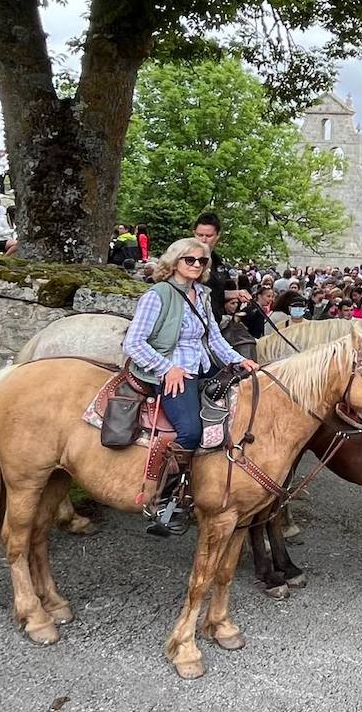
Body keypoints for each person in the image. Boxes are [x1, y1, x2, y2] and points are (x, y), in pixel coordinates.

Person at [122, 238, 260, 536]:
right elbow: (133, 342)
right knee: (191, 430)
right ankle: (164, 501)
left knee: (231, 418)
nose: (197, 265)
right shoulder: (158, 295)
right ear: (174, 261)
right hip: (170, 371)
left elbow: (213, 338)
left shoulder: (202, 294)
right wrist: (166, 367)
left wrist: (239, 361)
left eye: (202, 261)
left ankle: (210, 486)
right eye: (190, 259)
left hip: (201, 367)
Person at [193, 212, 249, 313]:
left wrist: (236, 294)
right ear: (194, 233)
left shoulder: (219, 264)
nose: (203, 240)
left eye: (209, 236)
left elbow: (215, 293)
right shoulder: (185, 261)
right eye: (200, 235)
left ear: (217, 236)